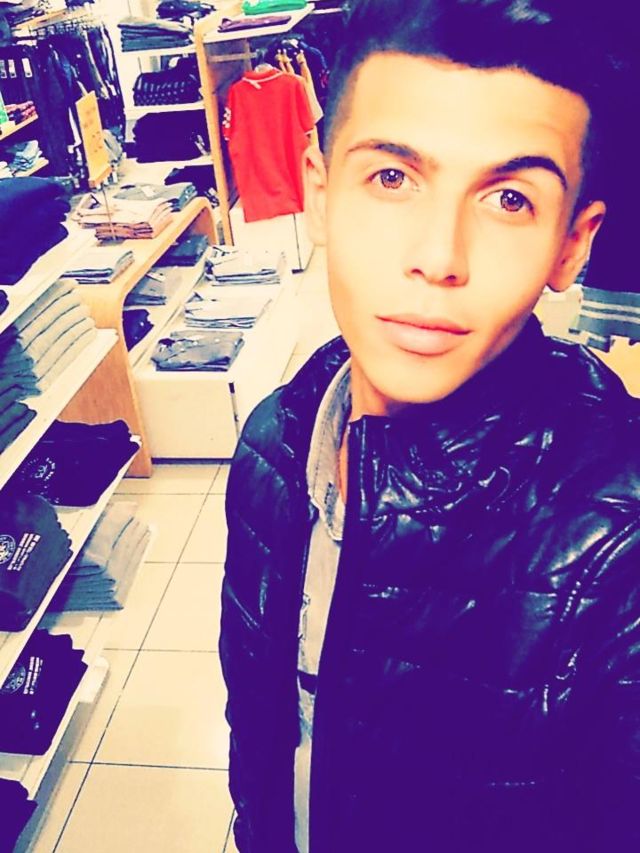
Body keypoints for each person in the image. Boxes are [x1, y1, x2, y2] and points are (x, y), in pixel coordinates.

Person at [220, 1, 640, 850]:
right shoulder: (273, 444)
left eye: (510, 199)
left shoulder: (618, 546)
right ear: (319, 191)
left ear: (572, 245)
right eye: (391, 178)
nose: (439, 256)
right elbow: (264, 737)